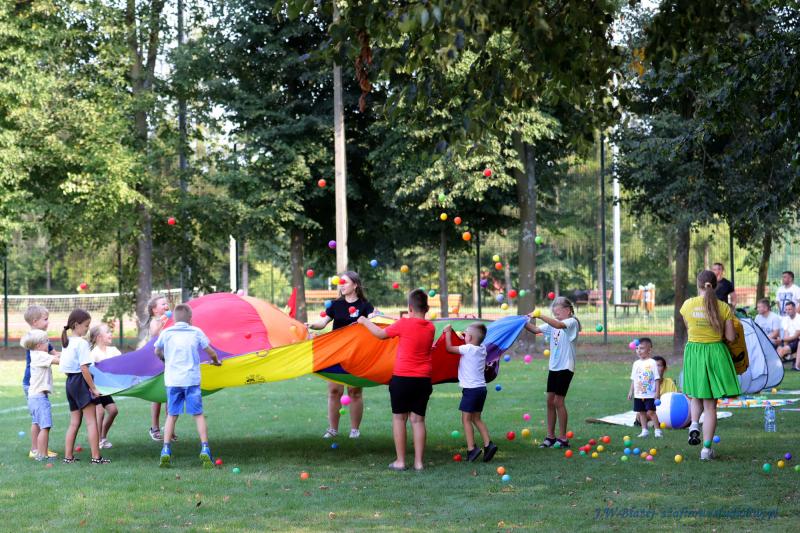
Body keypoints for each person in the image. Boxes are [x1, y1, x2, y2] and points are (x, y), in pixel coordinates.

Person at [358, 289, 435, 471]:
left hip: (402, 378)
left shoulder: (403, 323)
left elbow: (380, 334)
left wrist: (364, 321)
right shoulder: (430, 327)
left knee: (399, 418)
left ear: (409, 308)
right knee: (418, 420)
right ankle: (419, 463)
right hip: (423, 380)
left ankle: (400, 462)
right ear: (426, 308)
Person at [680, 270, 740, 461]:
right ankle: (706, 450)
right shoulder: (723, 307)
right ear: (715, 285)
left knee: (696, 393)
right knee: (711, 406)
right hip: (715, 353)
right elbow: (730, 337)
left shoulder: (687, 305)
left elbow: (689, 329)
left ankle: (694, 424)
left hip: (694, 352)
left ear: (698, 284)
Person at [307, 272, 374, 439]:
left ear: (355, 285)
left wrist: (373, 317)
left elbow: (373, 321)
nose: (341, 285)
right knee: (334, 391)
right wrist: (311, 325)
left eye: (345, 282)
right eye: (341, 282)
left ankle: (354, 430)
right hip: (335, 353)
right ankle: (333, 429)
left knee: (355, 391)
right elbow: (323, 323)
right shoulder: (336, 305)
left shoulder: (365, 305)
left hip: (356, 353)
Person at [154, 304, 221, 468]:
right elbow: (211, 352)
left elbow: (157, 351)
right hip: (191, 381)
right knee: (198, 414)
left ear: (174, 319)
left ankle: (165, 450)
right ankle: (205, 448)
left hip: (173, 381)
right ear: (190, 319)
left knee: (171, 415)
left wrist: (164, 359)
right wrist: (215, 361)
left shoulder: (166, 333)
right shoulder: (196, 332)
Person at [524, 297, 581, 448]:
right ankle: (550, 437)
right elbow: (536, 330)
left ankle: (563, 438)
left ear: (568, 310)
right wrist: (522, 322)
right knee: (550, 401)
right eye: (554, 314)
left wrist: (539, 315)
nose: (556, 316)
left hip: (566, 367)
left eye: (558, 313)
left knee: (558, 402)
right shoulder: (553, 323)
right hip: (554, 367)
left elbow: (559, 324)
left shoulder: (572, 322)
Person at [442, 322, 498, 462]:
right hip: (481, 389)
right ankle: (489, 444)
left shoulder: (467, 349)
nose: (464, 335)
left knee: (466, 419)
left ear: (470, 338)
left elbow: (449, 348)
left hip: (471, 390)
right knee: (476, 418)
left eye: (466, 334)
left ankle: (471, 449)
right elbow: (472, 341)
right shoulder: (482, 349)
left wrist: (448, 332)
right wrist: (464, 337)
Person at [60, 309, 109, 464]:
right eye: (86, 325)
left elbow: (66, 368)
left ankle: (68, 457)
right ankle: (96, 457)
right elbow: (84, 368)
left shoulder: (67, 342)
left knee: (74, 422)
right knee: (91, 421)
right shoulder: (81, 343)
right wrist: (93, 388)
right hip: (81, 382)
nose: (88, 328)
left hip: (70, 383)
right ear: (76, 325)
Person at [21, 305, 59, 459]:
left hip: (34, 385)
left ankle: (37, 450)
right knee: (40, 420)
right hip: (34, 385)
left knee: (37, 419)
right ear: (35, 321)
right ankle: (38, 451)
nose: (48, 322)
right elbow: (55, 357)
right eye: (45, 319)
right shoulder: (38, 340)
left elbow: (55, 354)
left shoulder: (37, 338)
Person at [141, 295, 171, 441]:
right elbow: (154, 334)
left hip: (169, 360)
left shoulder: (170, 320)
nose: (166, 305)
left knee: (170, 395)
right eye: (162, 304)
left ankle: (170, 428)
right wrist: (162, 320)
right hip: (157, 361)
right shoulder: (155, 321)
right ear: (154, 310)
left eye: (166, 303)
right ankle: (155, 427)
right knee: (157, 396)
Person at [90, 324, 122, 449]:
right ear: (99, 337)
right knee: (100, 412)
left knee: (113, 411)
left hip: (105, 389)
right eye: (107, 332)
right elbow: (90, 371)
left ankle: (102, 437)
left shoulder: (113, 350)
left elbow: (123, 362)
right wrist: (93, 388)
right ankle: (98, 441)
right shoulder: (94, 353)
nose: (110, 334)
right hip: (94, 389)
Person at [627, 337, 662, 438]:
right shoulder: (636, 363)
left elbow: (657, 379)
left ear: (649, 350)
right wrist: (631, 391)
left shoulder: (652, 363)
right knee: (641, 412)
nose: (638, 350)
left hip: (650, 394)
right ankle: (644, 430)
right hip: (638, 394)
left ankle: (657, 430)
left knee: (651, 412)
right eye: (637, 348)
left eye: (641, 348)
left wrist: (657, 392)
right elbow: (634, 379)